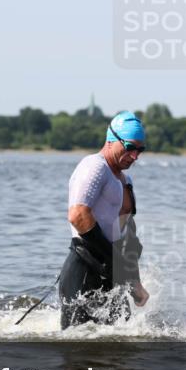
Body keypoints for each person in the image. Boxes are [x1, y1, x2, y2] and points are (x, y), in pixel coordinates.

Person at [58, 111, 149, 329]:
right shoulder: (95, 167)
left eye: (140, 149)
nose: (135, 156)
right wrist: (116, 263)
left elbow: (127, 232)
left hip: (111, 274)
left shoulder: (125, 180)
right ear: (111, 140)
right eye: (130, 147)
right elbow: (78, 215)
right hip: (84, 269)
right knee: (78, 351)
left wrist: (133, 280)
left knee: (120, 350)